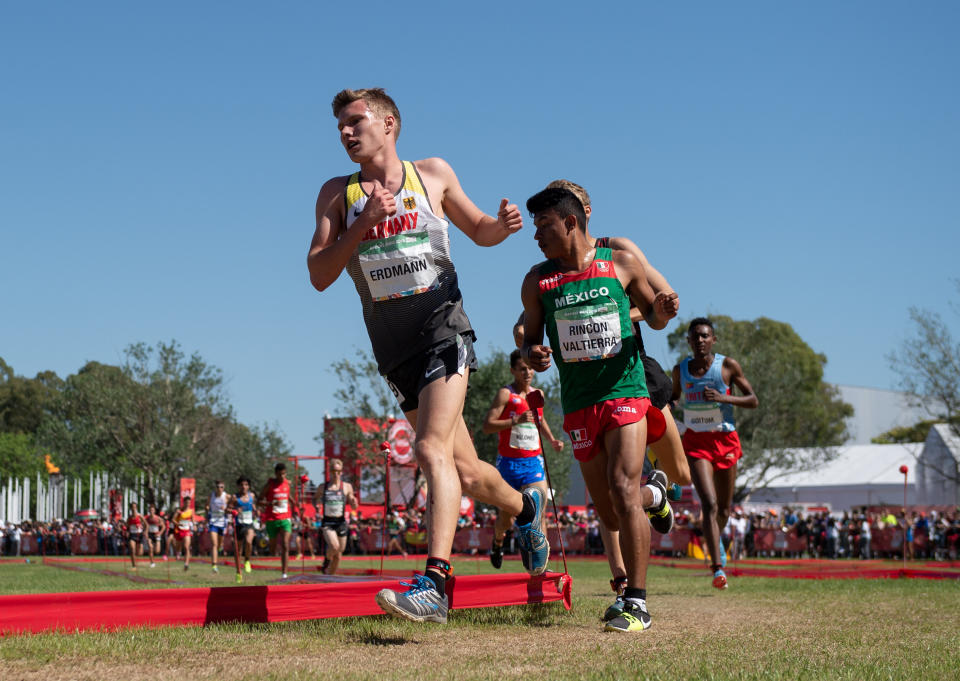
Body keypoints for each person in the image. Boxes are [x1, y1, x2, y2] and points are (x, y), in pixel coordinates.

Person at [308, 87, 548, 624]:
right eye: (339, 127)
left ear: (389, 124)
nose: (346, 134)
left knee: (429, 448)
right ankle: (528, 508)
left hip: (444, 329)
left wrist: (503, 225)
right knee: (466, 470)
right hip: (393, 350)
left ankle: (436, 584)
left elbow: (479, 229)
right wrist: (364, 223)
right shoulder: (335, 194)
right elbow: (320, 275)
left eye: (355, 122)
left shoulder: (431, 173)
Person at [520, 186, 677, 633]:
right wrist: (535, 353)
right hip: (580, 402)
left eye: (543, 226)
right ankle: (657, 496)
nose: (537, 236)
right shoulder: (537, 281)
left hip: (626, 390)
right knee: (609, 511)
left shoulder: (621, 263)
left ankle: (637, 603)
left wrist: (662, 311)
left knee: (622, 486)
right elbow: (530, 336)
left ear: (571, 222)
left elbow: (656, 314)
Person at [671, 317, 758, 589]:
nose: (700, 341)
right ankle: (718, 568)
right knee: (707, 504)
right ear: (688, 341)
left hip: (725, 441)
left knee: (723, 508)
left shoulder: (728, 366)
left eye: (705, 336)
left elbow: (753, 400)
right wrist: (668, 408)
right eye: (695, 336)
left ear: (713, 340)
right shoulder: (680, 370)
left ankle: (716, 539)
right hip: (697, 443)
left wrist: (724, 398)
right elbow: (674, 397)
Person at [482, 349, 564, 568]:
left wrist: (552, 439)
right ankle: (498, 541)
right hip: (508, 464)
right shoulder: (505, 394)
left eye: (530, 368)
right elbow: (487, 426)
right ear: (513, 371)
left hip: (533, 462)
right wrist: (515, 420)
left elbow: (540, 420)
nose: (527, 372)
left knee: (539, 511)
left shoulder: (538, 394)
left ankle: (540, 566)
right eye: (522, 369)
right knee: (506, 519)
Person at [315, 458, 357, 575]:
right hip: (328, 522)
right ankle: (326, 562)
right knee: (334, 546)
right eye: (333, 471)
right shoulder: (323, 487)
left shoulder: (347, 486)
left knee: (339, 554)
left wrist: (354, 502)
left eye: (338, 471)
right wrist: (316, 505)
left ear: (341, 472)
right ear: (330, 471)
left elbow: (353, 505)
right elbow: (315, 498)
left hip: (341, 522)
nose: (336, 474)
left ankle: (329, 578)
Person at [261, 462, 293, 579]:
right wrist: (271, 503)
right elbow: (259, 500)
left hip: (285, 518)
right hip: (272, 519)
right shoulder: (269, 485)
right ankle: (273, 548)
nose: (282, 477)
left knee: (285, 545)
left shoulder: (287, 483)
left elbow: (287, 496)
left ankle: (284, 573)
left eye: (284, 474)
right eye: (280, 475)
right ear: (275, 474)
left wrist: (295, 504)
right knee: (272, 549)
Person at [231, 476, 257, 583]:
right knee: (238, 551)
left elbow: (253, 505)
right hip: (239, 525)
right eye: (241, 485)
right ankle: (238, 573)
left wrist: (255, 510)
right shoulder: (234, 497)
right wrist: (235, 510)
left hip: (249, 523)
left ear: (248, 486)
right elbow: (228, 508)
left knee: (249, 541)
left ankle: (247, 560)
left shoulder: (252, 496)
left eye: (246, 485)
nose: (244, 487)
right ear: (238, 486)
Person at [206, 480, 229, 574]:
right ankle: (214, 565)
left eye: (222, 487)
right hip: (213, 522)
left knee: (219, 543)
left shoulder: (226, 496)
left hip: (222, 522)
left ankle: (220, 547)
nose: (220, 489)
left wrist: (226, 508)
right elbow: (207, 506)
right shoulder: (211, 496)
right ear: (215, 487)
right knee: (214, 544)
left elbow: (232, 505)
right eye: (218, 487)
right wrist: (208, 509)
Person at [172, 496, 194, 571]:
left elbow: (193, 520)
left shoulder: (191, 511)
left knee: (186, 547)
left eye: (189, 502)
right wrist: (178, 524)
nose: (188, 504)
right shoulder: (179, 511)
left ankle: (186, 564)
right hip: (179, 530)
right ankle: (178, 552)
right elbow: (173, 520)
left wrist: (194, 526)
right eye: (186, 502)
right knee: (178, 546)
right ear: (183, 502)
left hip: (187, 530)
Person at [125, 503, 145, 570]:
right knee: (132, 549)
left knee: (140, 553)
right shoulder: (129, 517)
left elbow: (146, 524)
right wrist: (126, 530)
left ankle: (136, 560)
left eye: (135, 507)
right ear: (130, 508)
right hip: (132, 535)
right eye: (132, 507)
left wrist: (145, 531)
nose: (133, 509)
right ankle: (134, 566)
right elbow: (127, 526)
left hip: (139, 535)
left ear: (136, 508)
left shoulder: (140, 516)